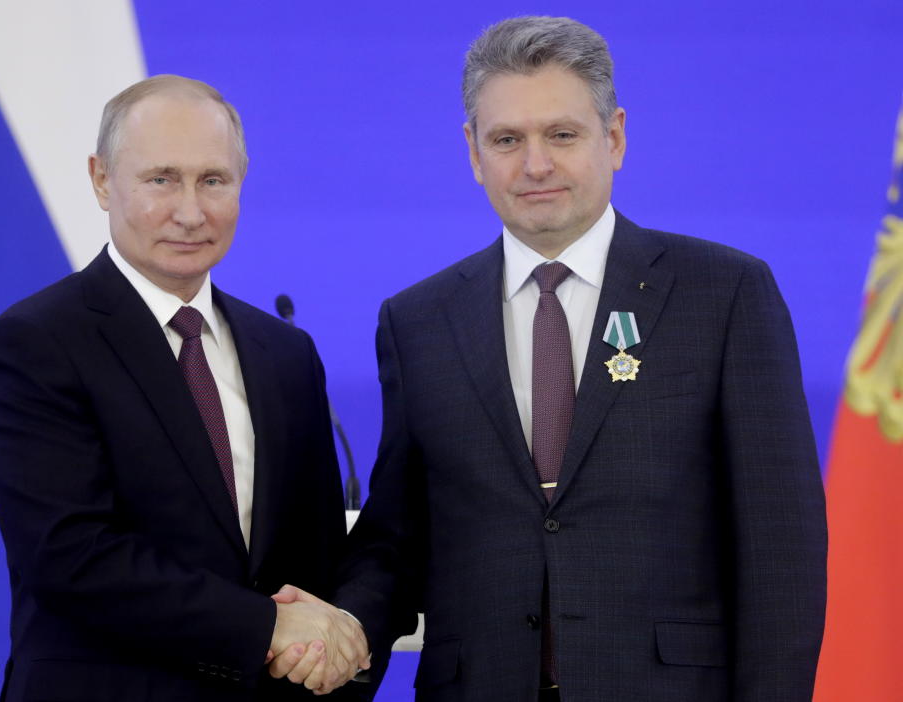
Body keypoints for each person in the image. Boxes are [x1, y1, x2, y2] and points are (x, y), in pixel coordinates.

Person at [281, 16, 827, 701]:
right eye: (507, 139)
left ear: (615, 137)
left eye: (561, 135)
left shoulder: (725, 294)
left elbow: (781, 551)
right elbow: (395, 538)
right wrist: (342, 632)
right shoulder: (417, 321)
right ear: (474, 153)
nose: (534, 164)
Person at [0, 74, 368, 701]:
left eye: (213, 180)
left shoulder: (286, 354)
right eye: (162, 179)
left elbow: (319, 558)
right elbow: (72, 557)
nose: (191, 211)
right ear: (102, 180)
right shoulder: (34, 343)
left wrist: (332, 654)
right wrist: (267, 626)